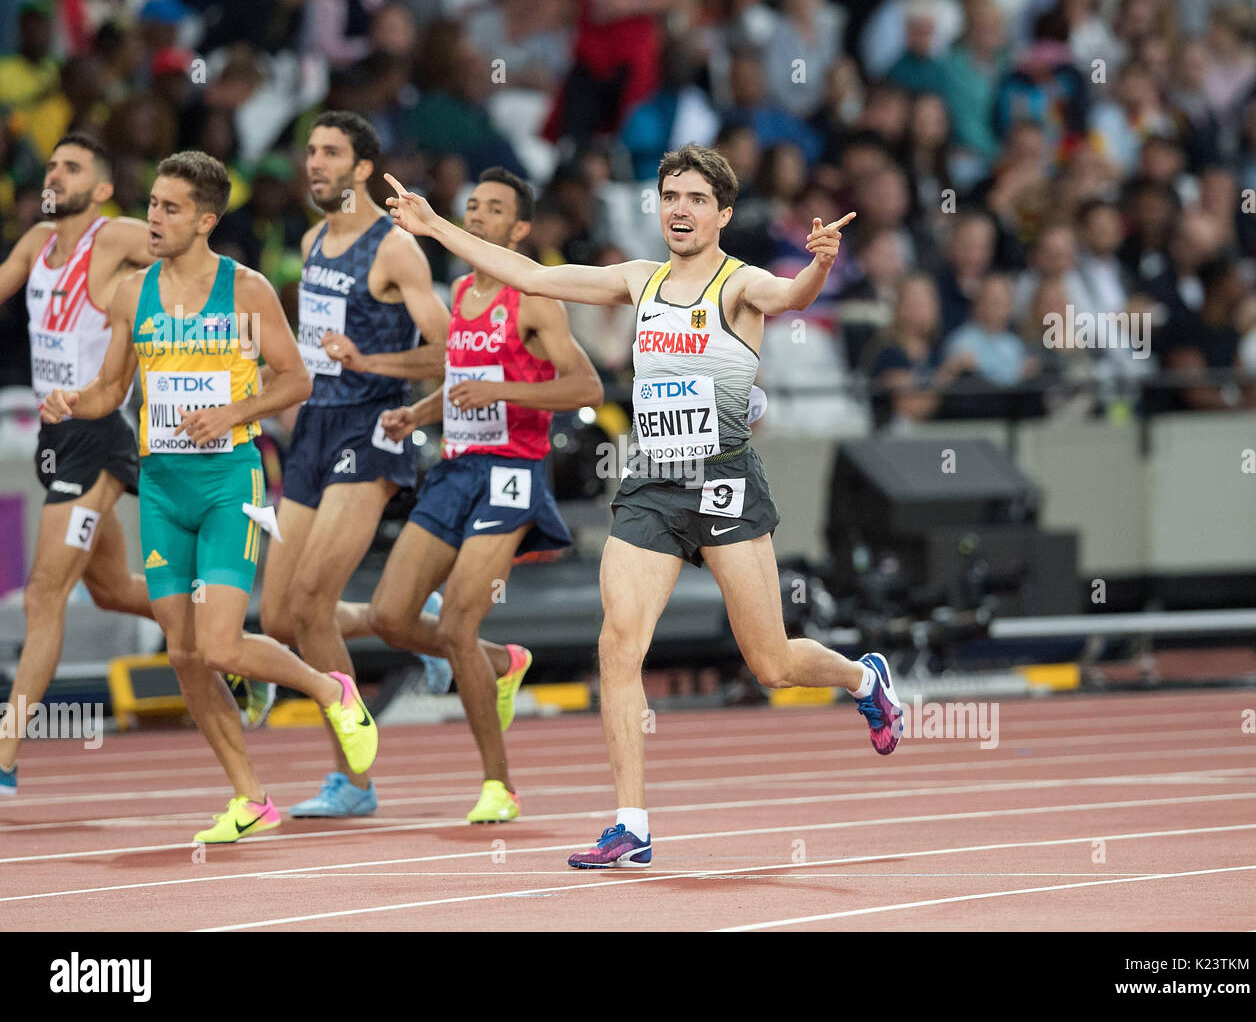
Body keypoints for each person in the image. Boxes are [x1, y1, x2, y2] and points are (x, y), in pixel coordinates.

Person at [384, 142, 904, 869]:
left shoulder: (739, 282)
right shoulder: (639, 279)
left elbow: (790, 299)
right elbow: (532, 273)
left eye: (696, 198)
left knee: (773, 662)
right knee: (618, 644)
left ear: (722, 212)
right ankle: (631, 820)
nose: (680, 209)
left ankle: (864, 678)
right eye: (670, 197)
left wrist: (817, 263)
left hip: (723, 481)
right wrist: (436, 227)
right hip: (653, 484)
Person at [41, 151, 378, 842]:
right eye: (151, 204)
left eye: (168, 208)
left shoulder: (246, 289)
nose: (152, 218)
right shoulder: (133, 293)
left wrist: (230, 413)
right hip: (161, 486)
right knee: (185, 653)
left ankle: (331, 688)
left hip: (228, 479)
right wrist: (71, 401)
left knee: (221, 645)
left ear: (205, 220)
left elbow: (296, 380)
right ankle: (250, 797)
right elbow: (112, 389)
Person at [332, 165, 603, 823]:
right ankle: (498, 662)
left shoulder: (534, 297)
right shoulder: (459, 291)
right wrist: (411, 408)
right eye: (471, 206)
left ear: (518, 229)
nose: (477, 216)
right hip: (455, 469)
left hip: (512, 470)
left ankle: (498, 784)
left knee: (454, 622)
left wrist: (504, 393)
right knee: (393, 616)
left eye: (492, 210)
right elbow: (455, 366)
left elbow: (587, 388)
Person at [255, 110, 455, 819]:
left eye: (331, 153)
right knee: (277, 615)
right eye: (309, 151)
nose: (314, 164)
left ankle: (355, 781)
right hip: (312, 428)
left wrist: (369, 362)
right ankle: (404, 614)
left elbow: (450, 349)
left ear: (363, 168)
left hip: (373, 427)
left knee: (309, 601)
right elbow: (312, 345)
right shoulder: (310, 240)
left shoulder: (395, 248)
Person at [0, 133, 155, 794]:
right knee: (115, 588)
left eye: (72, 167)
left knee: (43, 594)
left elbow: (186, 254)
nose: (54, 174)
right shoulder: (37, 244)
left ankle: (4, 756)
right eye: (53, 164)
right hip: (57, 437)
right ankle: (225, 636)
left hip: (96, 431)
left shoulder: (115, 236)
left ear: (100, 188)